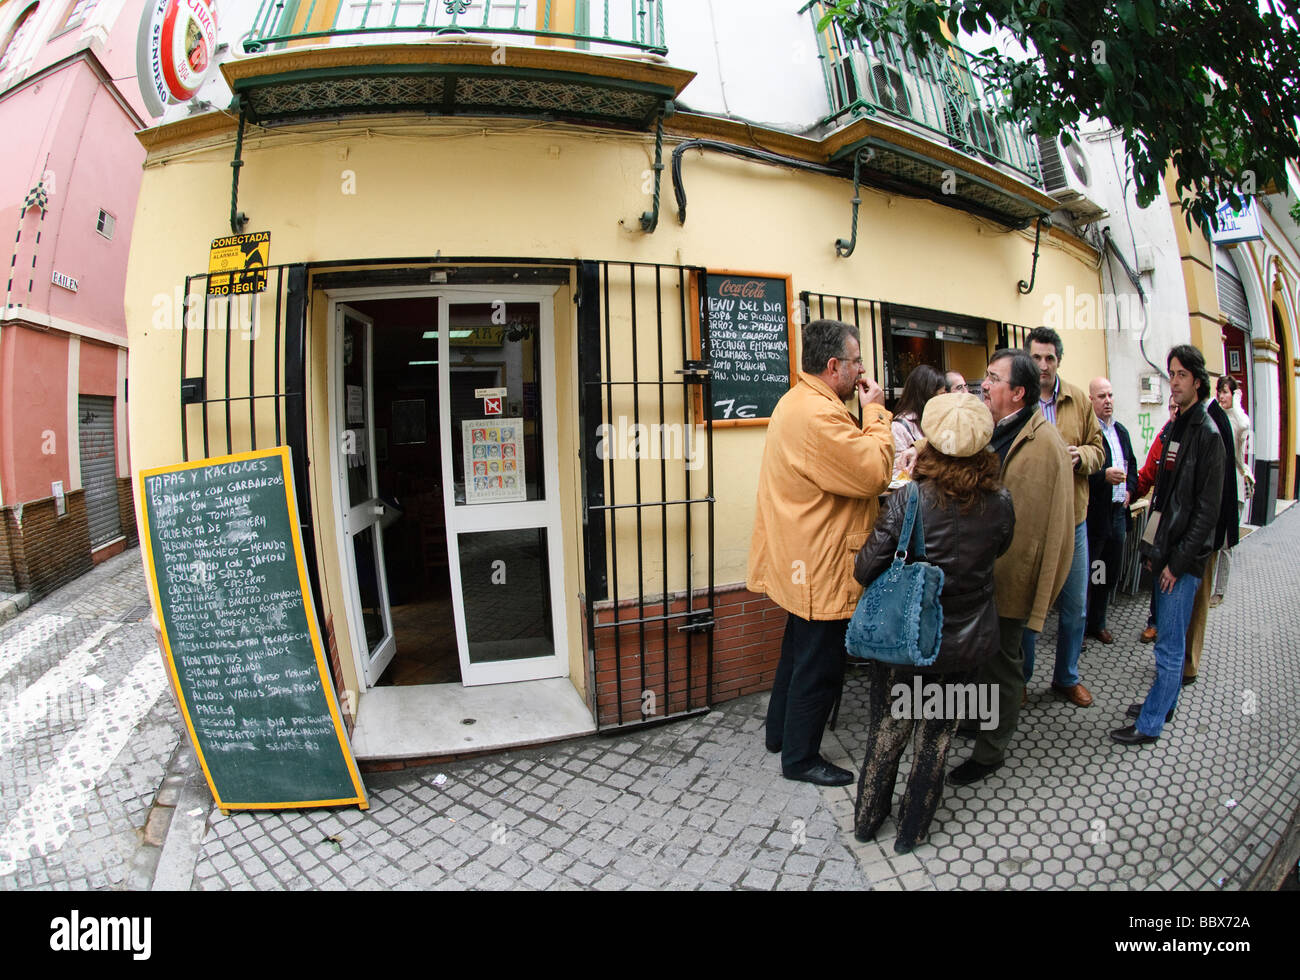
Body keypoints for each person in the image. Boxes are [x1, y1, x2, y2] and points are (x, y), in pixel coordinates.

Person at [851, 393, 1014, 851]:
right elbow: (999, 550)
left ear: (930, 442)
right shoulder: (1000, 500)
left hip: (908, 637)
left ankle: (867, 822)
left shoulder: (910, 499)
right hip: (964, 641)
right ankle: (912, 831)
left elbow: (865, 567)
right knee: (935, 740)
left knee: (889, 730)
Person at [748, 319, 894, 786]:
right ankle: (800, 759)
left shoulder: (799, 400)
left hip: (800, 558)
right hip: (819, 562)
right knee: (820, 667)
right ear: (834, 365)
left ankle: (779, 734)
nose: (862, 373)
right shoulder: (821, 414)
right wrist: (876, 413)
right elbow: (873, 472)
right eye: (857, 363)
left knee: (796, 653)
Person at [948, 350, 1073, 785]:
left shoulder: (1045, 445)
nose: (985, 384)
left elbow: (1051, 528)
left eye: (993, 378)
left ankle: (990, 752)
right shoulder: (995, 427)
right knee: (980, 659)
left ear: (1018, 392)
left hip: (1010, 578)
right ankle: (979, 721)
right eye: (985, 376)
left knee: (1002, 664)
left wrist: (1037, 593)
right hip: (981, 574)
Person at [1115, 345, 1224, 744]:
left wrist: (1175, 563)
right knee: (1166, 638)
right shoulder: (1177, 426)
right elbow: (1164, 497)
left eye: (1180, 375)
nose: (1173, 382)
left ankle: (1150, 724)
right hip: (1164, 551)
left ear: (1197, 380)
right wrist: (1151, 550)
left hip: (1182, 561)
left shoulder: (1208, 435)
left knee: (1169, 646)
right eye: (1171, 374)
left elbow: (1205, 514)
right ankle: (1162, 703)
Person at [1022, 327, 1104, 707]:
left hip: (1074, 522)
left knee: (1075, 608)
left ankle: (1066, 677)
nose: (1043, 364)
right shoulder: (1018, 398)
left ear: (1059, 360)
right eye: (1036, 357)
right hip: (1030, 525)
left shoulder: (1079, 401)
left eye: (1050, 357)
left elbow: (1099, 451)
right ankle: (1019, 679)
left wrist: (1081, 457)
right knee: (1024, 609)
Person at [1181, 380, 1238, 684]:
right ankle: (1183, 660)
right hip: (1198, 532)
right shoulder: (1203, 419)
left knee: (1198, 598)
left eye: (1180, 377)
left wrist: (1210, 537)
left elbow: (1216, 490)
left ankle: (1188, 665)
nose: (1174, 384)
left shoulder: (1211, 423)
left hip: (1205, 534)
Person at [1084, 377, 1138, 644]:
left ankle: (1098, 622)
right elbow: (1080, 474)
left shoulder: (1121, 431)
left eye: (1110, 395)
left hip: (1118, 514)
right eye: (1102, 396)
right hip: (1096, 516)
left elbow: (1134, 468)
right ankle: (1079, 629)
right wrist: (1102, 477)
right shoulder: (1089, 434)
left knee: (1107, 570)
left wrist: (1130, 491)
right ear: (1091, 400)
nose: (1108, 401)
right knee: (1090, 571)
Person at [1135, 395, 1179, 643]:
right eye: (1171, 407)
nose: (1174, 411)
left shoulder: (1194, 438)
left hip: (1181, 521)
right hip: (1159, 515)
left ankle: (1170, 626)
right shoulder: (1163, 437)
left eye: (1178, 407)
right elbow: (1148, 473)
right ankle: (1154, 622)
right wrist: (1130, 494)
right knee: (1153, 565)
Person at [1212, 376, 1254, 603]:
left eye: (1226, 392)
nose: (1221, 396)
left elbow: (1244, 427)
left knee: (1227, 542)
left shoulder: (1239, 419)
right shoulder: (1215, 415)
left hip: (1235, 483)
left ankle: (1220, 591)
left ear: (1233, 394)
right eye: (1219, 392)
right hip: (1217, 484)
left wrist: (1237, 403)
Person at [891, 365, 946, 464]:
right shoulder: (899, 427)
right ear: (927, 395)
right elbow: (899, 472)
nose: (944, 400)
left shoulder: (938, 421)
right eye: (941, 395)